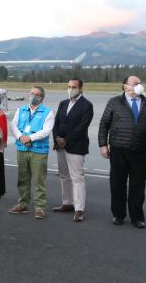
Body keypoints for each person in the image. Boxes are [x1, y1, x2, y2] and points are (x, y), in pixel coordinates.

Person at [98, 75, 146, 228]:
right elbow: (104, 124)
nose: (139, 85)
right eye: (136, 83)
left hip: (141, 151)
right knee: (118, 184)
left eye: (140, 83)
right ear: (126, 86)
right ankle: (118, 214)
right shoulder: (115, 102)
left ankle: (137, 217)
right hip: (119, 150)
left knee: (138, 186)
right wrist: (103, 144)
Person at [9, 86, 54, 219]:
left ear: (41, 97)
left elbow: (46, 131)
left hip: (38, 150)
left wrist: (30, 138)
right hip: (22, 148)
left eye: (35, 94)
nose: (32, 96)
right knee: (22, 178)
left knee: (39, 179)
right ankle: (23, 204)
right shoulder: (21, 109)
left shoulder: (47, 112)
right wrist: (21, 137)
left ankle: (40, 207)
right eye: (30, 93)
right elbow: (13, 126)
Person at [52, 78, 93, 222]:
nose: (71, 89)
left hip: (76, 146)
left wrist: (66, 140)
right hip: (60, 145)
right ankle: (67, 203)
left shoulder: (87, 105)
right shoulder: (63, 103)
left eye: (74, 87)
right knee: (64, 176)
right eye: (69, 86)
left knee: (77, 178)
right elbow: (56, 123)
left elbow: (82, 127)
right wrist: (57, 137)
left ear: (81, 88)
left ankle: (79, 209)